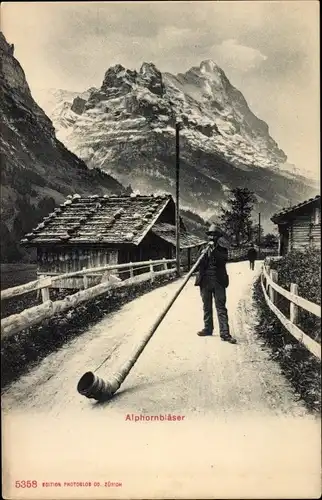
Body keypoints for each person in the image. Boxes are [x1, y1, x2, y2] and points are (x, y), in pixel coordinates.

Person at [194, 224, 236, 344]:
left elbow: (222, 260)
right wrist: (203, 253)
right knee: (206, 307)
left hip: (219, 282)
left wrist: (213, 251)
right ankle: (208, 329)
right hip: (205, 282)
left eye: (214, 235)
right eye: (210, 235)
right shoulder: (202, 249)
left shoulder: (222, 250)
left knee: (221, 307)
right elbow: (197, 264)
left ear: (218, 237)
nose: (212, 237)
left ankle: (225, 333)